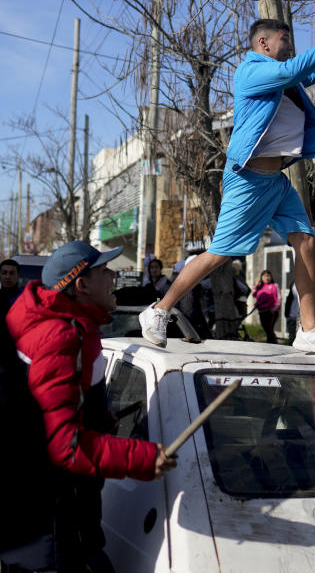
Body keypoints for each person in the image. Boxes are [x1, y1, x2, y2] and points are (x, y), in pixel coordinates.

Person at [139, 18, 315, 356]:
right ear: (263, 43)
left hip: (276, 181)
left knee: (305, 240)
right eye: (284, 39)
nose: (289, 45)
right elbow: (294, 69)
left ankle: (309, 330)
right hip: (247, 181)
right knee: (221, 253)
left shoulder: (285, 78)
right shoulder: (251, 72)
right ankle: (159, 310)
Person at [5, 242, 177, 572]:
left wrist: (99, 417)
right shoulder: (59, 336)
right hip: (50, 527)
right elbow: (62, 446)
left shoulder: (66, 325)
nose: (114, 276)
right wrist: (140, 457)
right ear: (81, 284)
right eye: (104, 271)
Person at [253, 270, 281, 344]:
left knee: (269, 329)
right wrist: (255, 286)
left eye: (268, 276)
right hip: (261, 311)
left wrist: (274, 309)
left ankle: (273, 343)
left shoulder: (274, 286)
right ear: (261, 278)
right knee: (266, 328)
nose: (267, 278)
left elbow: (279, 298)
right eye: (265, 276)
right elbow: (253, 294)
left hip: (271, 311)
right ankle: (271, 343)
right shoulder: (260, 287)